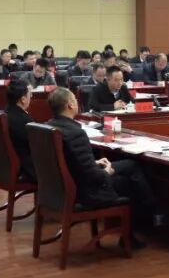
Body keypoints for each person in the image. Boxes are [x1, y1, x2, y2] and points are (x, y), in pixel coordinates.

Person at [46, 88, 159, 245]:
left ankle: (150, 208)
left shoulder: (49, 127)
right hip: (85, 191)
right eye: (75, 100)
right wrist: (106, 171)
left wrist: (94, 163)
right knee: (128, 182)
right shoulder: (75, 133)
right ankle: (149, 214)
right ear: (70, 105)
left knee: (131, 165)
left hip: (59, 189)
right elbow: (93, 177)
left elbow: (68, 161)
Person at [4, 81, 36, 180]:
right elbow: (37, 145)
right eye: (30, 94)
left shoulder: (5, 113)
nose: (31, 97)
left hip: (5, 165)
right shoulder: (24, 121)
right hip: (25, 169)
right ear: (23, 99)